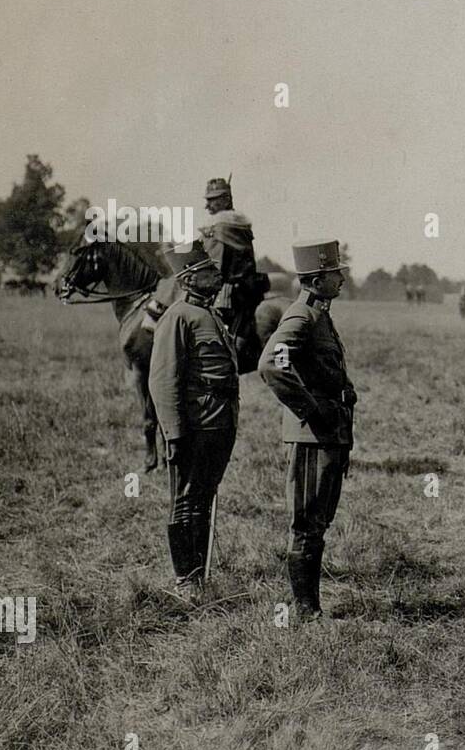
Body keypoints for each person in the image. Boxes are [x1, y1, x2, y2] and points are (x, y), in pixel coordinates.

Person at [257, 239, 358, 621]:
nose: (342, 279)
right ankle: (306, 611)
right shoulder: (301, 316)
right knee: (306, 523)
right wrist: (309, 407)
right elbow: (271, 364)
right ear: (316, 280)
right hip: (312, 436)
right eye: (335, 274)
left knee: (318, 522)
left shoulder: (319, 314)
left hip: (327, 434)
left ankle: (309, 608)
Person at [147, 240, 240, 603]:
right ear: (188, 279)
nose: (217, 275)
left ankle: (200, 576)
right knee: (185, 500)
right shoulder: (177, 317)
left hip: (218, 422)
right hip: (194, 425)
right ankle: (186, 580)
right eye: (208, 271)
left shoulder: (211, 314)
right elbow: (162, 379)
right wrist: (174, 432)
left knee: (203, 497)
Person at [200, 176, 271, 373]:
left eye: (212, 200)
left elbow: (215, 265)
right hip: (246, 288)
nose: (207, 206)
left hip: (231, 292)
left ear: (225, 200)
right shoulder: (236, 223)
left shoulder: (222, 226)